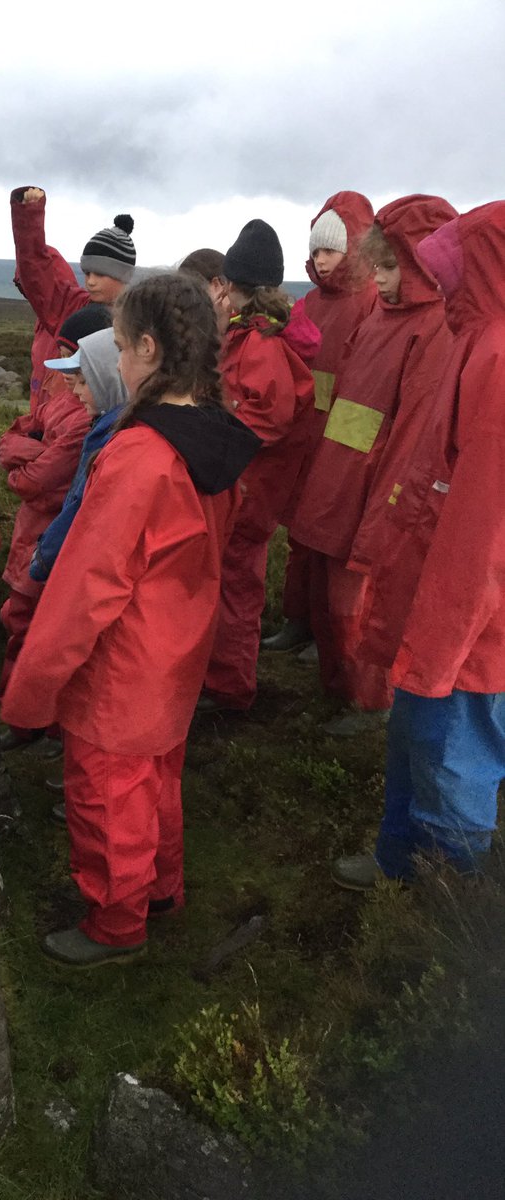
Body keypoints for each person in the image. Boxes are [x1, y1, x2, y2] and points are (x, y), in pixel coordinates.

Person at [0, 272, 260, 967]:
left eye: (118, 345)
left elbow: (88, 587)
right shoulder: (218, 439)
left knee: (105, 794)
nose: (114, 361)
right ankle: (160, 889)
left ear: (149, 348)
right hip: (180, 648)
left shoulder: (139, 456)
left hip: (124, 662)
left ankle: (117, 923)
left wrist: (32, 687)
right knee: (154, 780)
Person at [333, 200, 505, 888]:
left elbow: (482, 535)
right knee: (413, 745)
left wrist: (439, 646)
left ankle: (445, 920)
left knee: (452, 763)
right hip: (434, 602)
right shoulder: (474, 337)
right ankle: (397, 865)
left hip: (469, 633)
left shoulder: (496, 359)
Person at [290, 195, 458, 732]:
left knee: (357, 599)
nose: (379, 278)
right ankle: (337, 687)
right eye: (378, 265)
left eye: (390, 266)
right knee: (327, 593)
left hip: (372, 486)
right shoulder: (382, 316)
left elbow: (412, 437)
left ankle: (371, 699)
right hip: (339, 475)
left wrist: (384, 514)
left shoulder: (433, 328)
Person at [200, 220, 320, 713]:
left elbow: (265, 418)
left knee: (236, 589)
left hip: (248, 493)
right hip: (243, 488)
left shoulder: (262, 345)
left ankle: (230, 689)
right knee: (228, 586)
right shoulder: (249, 336)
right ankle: (222, 678)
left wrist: (214, 442)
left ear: (232, 286)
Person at [263, 191, 377, 655]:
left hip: (348, 442)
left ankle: (329, 633)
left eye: (330, 249)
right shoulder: (306, 304)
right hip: (307, 435)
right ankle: (298, 620)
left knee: (336, 544)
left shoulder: (372, 304)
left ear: (354, 250)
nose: (321, 259)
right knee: (301, 534)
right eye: (315, 251)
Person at [0, 306, 111, 750]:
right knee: (20, 622)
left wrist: (29, 464)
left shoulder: (87, 416)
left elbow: (37, 481)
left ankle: (48, 725)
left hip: (56, 542)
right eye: (61, 359)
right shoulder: (61, 397)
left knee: (51, 636)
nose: (65, 375)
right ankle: (22, 718)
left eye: (73, 363)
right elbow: (12, 440)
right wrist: (33, 452)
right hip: (33, 537)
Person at [10, 184, 135, 413]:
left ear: (123, 276)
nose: (91, 281)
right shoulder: (72, 305)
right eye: (87, 273)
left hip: (102, 426)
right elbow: (36, 273)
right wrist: (29, 213)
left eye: (100, 274)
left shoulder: (139, 320)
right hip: (57, 419)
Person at [28, 326, 128, 583]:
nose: (75, 391)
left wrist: (43, 557)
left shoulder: (112, 439)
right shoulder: (103, 428)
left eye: (85, 381)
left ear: (107, 377)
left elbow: (80, 509)